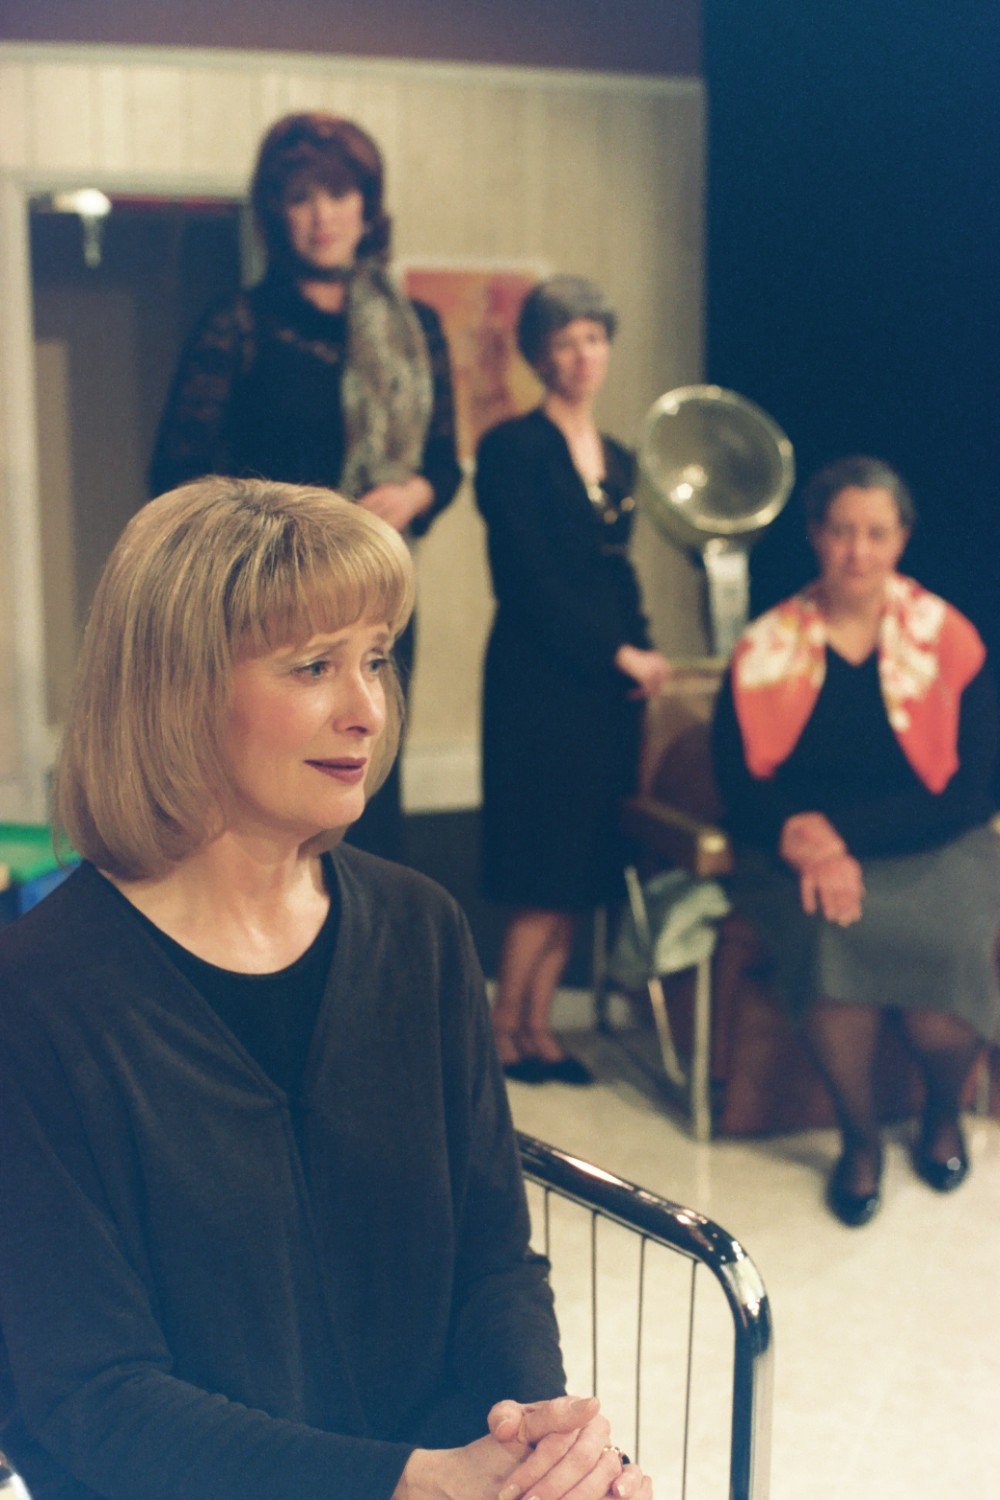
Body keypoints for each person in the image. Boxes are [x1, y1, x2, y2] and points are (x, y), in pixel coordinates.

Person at [0, 479, 652, 1500]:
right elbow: (91, 1396)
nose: (366, 709)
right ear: (178, 688)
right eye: (313, 667)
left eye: (377, 659)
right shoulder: (40, 996)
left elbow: (495, 1263)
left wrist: (533, 1451)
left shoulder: (422, 932)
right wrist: (411, 1482)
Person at [149, 112, 463, 862]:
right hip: (272, 604)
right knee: (275, 786)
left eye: (338, 193)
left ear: (367, 204)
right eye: (300, 198)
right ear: (275, 213)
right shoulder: (240, 324)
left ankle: (369, 956)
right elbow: (175, 478)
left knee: (371, 769)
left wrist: (414, 494)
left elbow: (445, 462)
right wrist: (294, 522)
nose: (322, 215)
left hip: (379, 595)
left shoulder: (414, 325)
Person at [712, 456, 999, 1226]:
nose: (857, 552)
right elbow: (739, 789)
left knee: (947, 967)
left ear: (902, 538)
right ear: (814, 536)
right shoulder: (765, 645)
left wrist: (838, 834)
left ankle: (943, 1115)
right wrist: (803, 837)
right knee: (833, 954)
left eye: (876, 533)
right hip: (799, 855)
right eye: (841, 532)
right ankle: (861, 1140)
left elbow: (971, 793)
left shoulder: (951, 641)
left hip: (937, 846)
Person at [475, 277, 671, 1085]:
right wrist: (614, 653)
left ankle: (541, 1029)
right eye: (565, 340)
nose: (582, 355)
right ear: (539, 355)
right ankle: (502, 1029)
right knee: (542, 862)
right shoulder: (511, 449)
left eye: (594, 337)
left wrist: (647, 650)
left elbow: (615, 577)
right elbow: (529, 579)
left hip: (603, 690)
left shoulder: (620, 456)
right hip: (539, 676)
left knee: (586, 857)